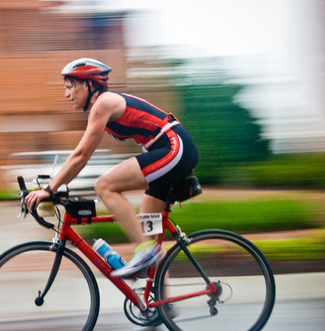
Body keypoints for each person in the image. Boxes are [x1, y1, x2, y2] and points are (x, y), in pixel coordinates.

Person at [25, 58, 198, 278]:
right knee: (147, 233)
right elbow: (81, 155)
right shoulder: (102, 106)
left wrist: (49, 189)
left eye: (70, 87)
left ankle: (145, 253)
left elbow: (81, 155)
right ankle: (162, 307)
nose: (66, 95)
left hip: (174, 147)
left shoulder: (103, 103)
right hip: (169, 149)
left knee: (104, 185)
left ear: (88, 85)